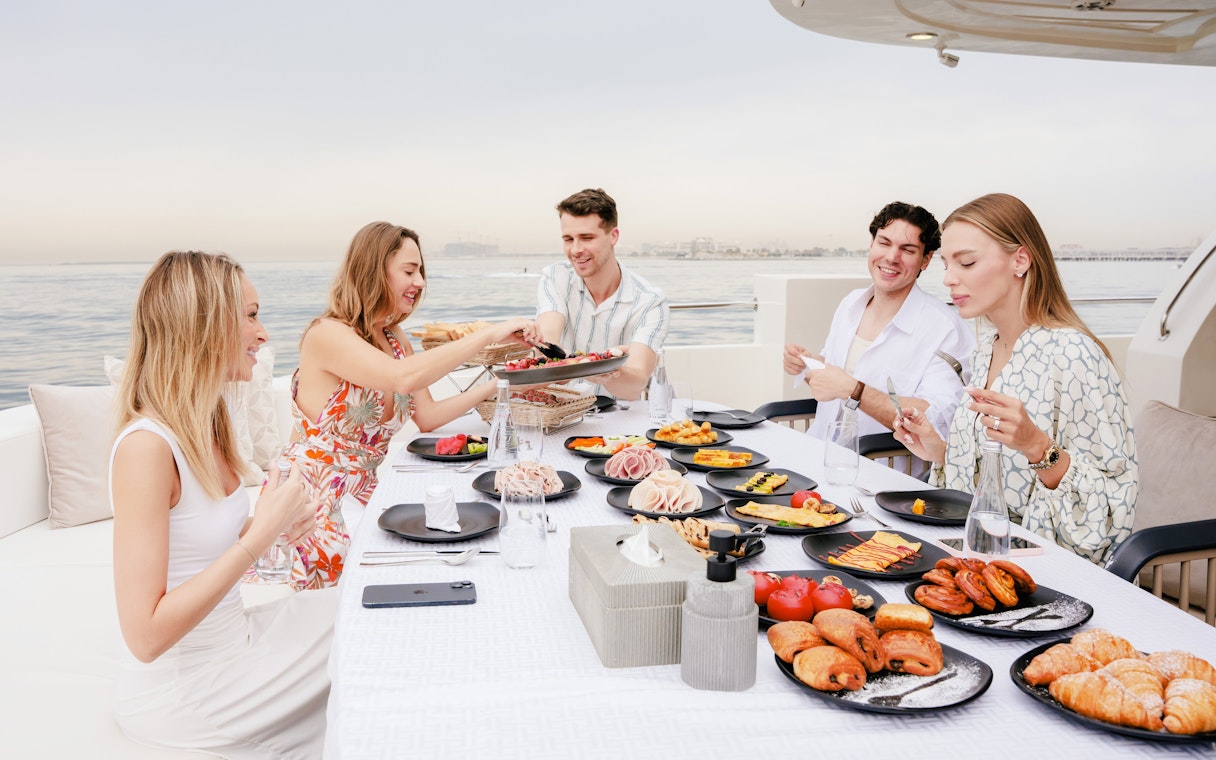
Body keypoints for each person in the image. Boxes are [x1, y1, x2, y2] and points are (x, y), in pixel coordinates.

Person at [110, 251, 335, 758]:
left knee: (364, 606)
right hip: (187, 693)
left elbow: (201, 552)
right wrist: (259, 539)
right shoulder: (146, 449)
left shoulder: (208, 423)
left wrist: (271, 524)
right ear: (204, 325)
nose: (264, 334)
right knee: (363, 640)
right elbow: (145, 637)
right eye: (251, 315)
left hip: (237, 641)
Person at [288, 222, 540, 589]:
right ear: (373, 271)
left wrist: (503, 383)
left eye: (420, 271)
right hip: (314, 503)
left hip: (365, 495)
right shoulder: (327, 335)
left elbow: (427, 417)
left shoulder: (392, 337)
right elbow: (403, 378)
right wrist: (489, 333)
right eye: (409, 270)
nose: (420, 281)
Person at [895, 193, 1137, 564]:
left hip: (1047, 573)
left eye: (967, 262)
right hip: (979, 559)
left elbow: (1111, 508)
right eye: (946, 263)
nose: (947, 278)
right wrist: (940, 451)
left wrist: (1037, 447)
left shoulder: (1075, 355)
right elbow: (995, 489)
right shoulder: (986, 350)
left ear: (1020, 260)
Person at [783, 201, 974, 445]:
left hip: (883, 467)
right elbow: (836, 377)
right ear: (871, 245)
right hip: (820, 451)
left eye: (907, 250)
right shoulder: (850, 305)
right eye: (884, 243)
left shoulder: (945, 329)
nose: (892, 257)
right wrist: (807, 365)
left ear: (926, 260)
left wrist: (856, 391)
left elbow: (938, 420)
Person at [537, 188, 669, 400]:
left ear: (613, 236)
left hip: (618, 420)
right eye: (568, 239)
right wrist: (554, 362)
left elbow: (636, 383)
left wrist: (607, 370)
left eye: (587, 238)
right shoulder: (555, 277)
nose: (576, 250)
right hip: (560, 414)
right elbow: (548, 337)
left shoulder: (650, 301)